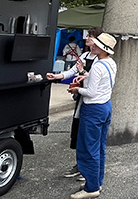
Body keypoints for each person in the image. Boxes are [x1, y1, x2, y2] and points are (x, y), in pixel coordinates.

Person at [47, 27, 103, 180]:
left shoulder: (102, 61)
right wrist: (57, 76)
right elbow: (72, 71)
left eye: (90, 36)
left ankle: (89, 169)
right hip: (82, 98)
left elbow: (94, 80)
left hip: (93, 100)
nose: (87, 38)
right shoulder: (84, 54)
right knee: (79, 133)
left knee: (90, 137)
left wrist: (82, 72)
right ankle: (80, 165)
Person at [66, 33, 117, 199]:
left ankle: (91, 187)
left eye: (96, 45)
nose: (92, 46)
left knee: (88, 149)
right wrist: (86, 75)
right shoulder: (110, 63)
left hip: (93, 109)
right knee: (99, 148)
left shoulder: (97, 66)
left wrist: (77, 89)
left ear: (103, 49)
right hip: (105, 106)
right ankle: (96, 182)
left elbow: (91, 92)